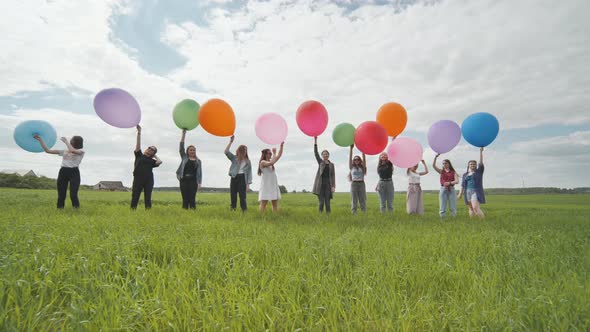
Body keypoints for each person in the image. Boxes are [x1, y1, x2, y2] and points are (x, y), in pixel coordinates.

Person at [34, 134, 84, 209]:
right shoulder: (64, 151)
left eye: (72, 139)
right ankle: (60, 209)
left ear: (75, 142)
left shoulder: (81, 151)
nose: (70, 140)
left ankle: (76, 209)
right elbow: (48, 151)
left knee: (73, 194)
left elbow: (72, 150)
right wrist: (40, 140)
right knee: (61, 194)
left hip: (74, 172)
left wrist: (66, 142)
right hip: (63, 171)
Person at [131, 125, 162, 209]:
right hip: (138, 179)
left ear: (153, 153)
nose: (150, 149)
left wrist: (155, 155)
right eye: (149, 148)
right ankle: (132, 211)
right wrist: (139, 133)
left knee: (147, 197)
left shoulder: (152, 161)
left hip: (149, 180)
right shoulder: (139, 155)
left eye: (152, 150)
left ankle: (148, 212)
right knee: (135, 196)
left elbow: (159, 162)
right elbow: (138, 145)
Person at [224, 135, 252, 211]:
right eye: (243, 150)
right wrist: (231, 142)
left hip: (242, 178)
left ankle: (244, 210)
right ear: (239, 151)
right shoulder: (234, 158)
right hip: (234, 177)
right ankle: (233, 209)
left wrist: (248, 185)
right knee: (233, 195)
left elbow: (249, 174)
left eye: (245, 150)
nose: (244, 151)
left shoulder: (248, 161)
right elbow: (226, 152)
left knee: (242, 196)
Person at [176, 129, 202, 209]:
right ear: (187, 151)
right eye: (191, 150)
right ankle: (185, 213)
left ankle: (193, 213)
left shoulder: (198, 161)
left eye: (194, 150)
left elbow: (199, 173)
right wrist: (183, 134)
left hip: (193, 181)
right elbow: (181, 148)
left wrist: (199, 183)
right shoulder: (184, 158)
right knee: (185, 199)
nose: (192, 151)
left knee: (192, 199)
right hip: (184, 180)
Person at [458, 148, 486, 218]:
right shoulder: (465, 174)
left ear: (476, 165)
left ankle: (483, 221)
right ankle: (472, 222)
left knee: (475, 207)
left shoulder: (479, 172)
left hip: (475, 191)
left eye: (474, 164)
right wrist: (460, 194)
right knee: (470, 208)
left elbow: (481, 163)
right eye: (471, 164)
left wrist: (480, 152)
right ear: (469, 165)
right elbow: (463, 185)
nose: (472, 165)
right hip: (467, 192)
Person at [257, 142, 284, 212]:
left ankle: (275, 217)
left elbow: (279, 155)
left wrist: (281, 146)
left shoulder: (271, 161)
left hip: (273, 185)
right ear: (265, 154)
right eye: (269, 153)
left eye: (271, 154)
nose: (271, 154)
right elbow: (272, 162)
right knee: (263, 204)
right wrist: (274, 152)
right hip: (266, 185)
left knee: (275, 204)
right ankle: (261, 218)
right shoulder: (262, 162)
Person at [313, 136, 335, 214]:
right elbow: (316, 153)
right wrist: (315, 141)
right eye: (324, 154)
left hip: (328, 184)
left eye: (326, 154)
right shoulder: (320, 162)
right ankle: (320, 216)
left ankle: (328, 216)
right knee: (321, 202)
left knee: (328, 203)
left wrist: (333, 186)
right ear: (322, 156)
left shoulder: (332, 165)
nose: (325, 155)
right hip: (320, 184)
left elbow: (333, 176)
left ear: (328, 155)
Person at [349, 145, 367, 214]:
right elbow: (350, 158)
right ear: (354, 161)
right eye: (355, 159)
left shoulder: (362, 167)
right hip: (354, 184)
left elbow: (364, 159)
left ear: (360, 161)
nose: (356, 160)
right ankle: (354, 213)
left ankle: (364, 213)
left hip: (361, 184)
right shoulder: (351, 167)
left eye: (358, 159)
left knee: (362, 199)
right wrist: (351, 149)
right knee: (354, 199)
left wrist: (363, 150)